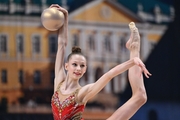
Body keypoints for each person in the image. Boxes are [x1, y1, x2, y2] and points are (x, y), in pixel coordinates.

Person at [50, 4, 152, 120]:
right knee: (140, 96)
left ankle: (134, 49)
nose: (78, 68)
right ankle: (134, 49)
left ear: (85, 70)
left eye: (82, 66)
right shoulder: (58, 82)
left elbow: (109, 75)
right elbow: (62, 44)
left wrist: (132, 61)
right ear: (66, 66)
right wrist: (65, 17)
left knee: (140, 96)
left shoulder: (82, 93)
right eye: (75, 64)